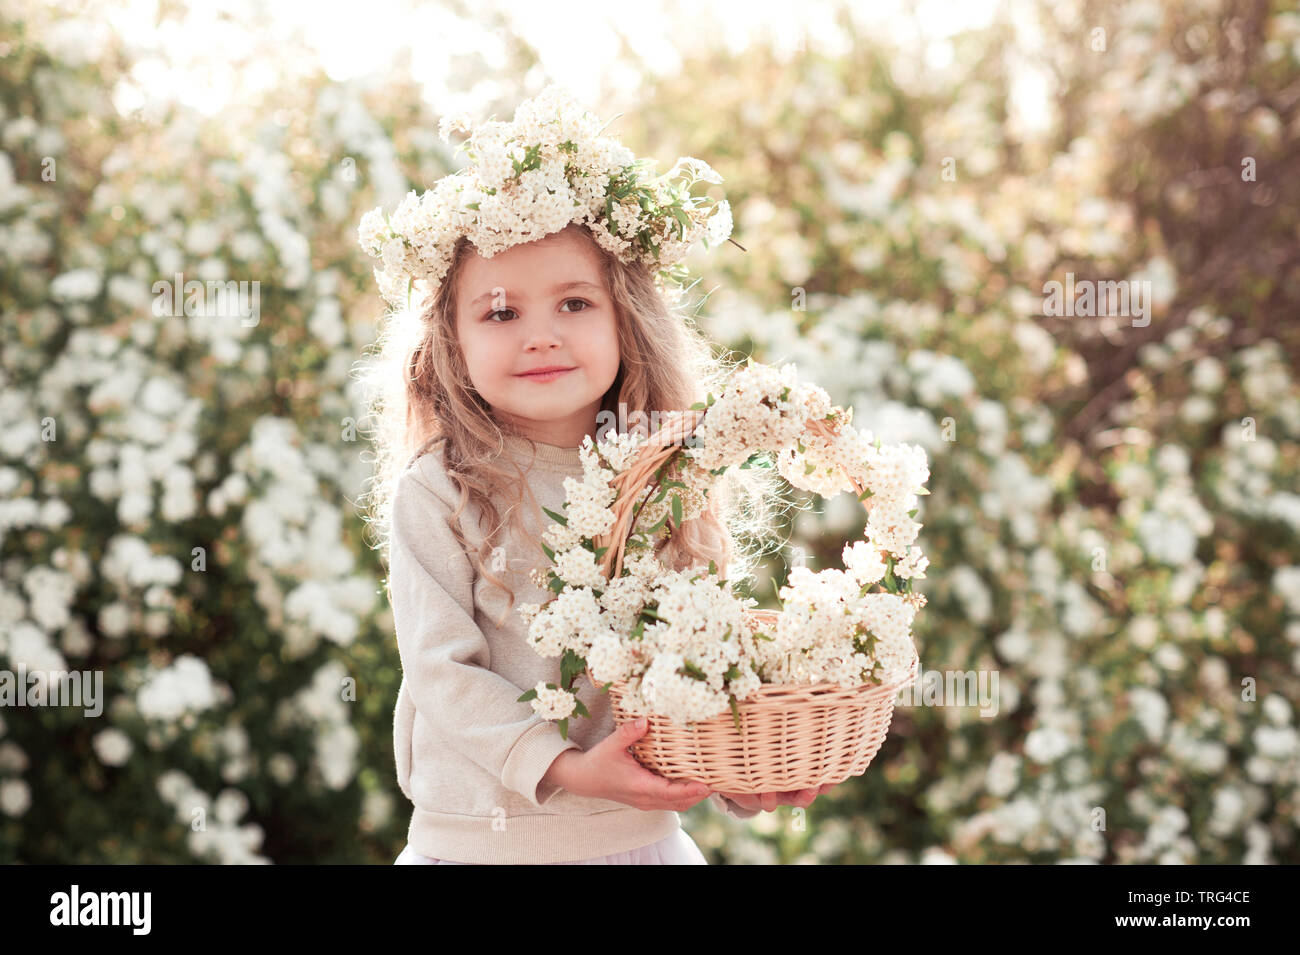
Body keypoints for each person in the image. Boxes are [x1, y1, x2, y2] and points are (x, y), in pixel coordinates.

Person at [357, 86, 836, 865]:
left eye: (574, 303)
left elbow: (694, 660)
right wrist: (571, 766)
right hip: (482, 846)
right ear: (451, 341)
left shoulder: (668, 476)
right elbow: (442, 674)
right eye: (501, 312)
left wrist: (743, 773)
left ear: (626, 321)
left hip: (640, 845)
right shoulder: (440, 489)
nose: (541, 335)